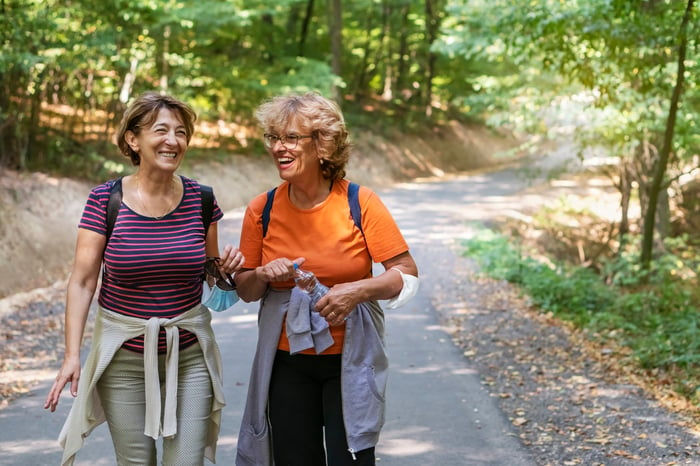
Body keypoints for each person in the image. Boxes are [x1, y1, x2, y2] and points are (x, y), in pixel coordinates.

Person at [43, 91, 245, 466]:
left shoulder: (201, 200)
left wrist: (226, 272)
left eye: (181, 132)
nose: (173, 140)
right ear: (133, 139)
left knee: (185, 461)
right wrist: (72, 355)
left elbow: (213, 280)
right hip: (123, 360)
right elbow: (83, 281)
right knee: (136, 462)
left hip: (190, 357)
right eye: (161, 130)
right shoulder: (106, 200)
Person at [234, 92, 419, 466]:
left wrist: (358, 290)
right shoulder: (262, 208)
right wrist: (262, 274)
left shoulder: (359, 202)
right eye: (273, 138)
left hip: (350, 361)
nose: (278, 148)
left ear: (322, 144)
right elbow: (246, 289)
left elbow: (406, 274)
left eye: (290, 138)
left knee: (351, 459)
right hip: (287, 362)